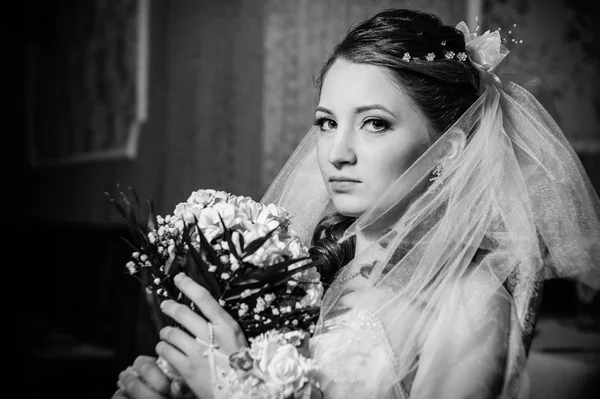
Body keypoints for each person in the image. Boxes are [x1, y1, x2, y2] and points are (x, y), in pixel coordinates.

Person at [113, 8, 600, 399]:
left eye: (374, 123)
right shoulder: (292, 267)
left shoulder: (470, 300)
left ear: (447, 150)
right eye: (327, 122)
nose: (337, 152)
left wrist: (235, 386)